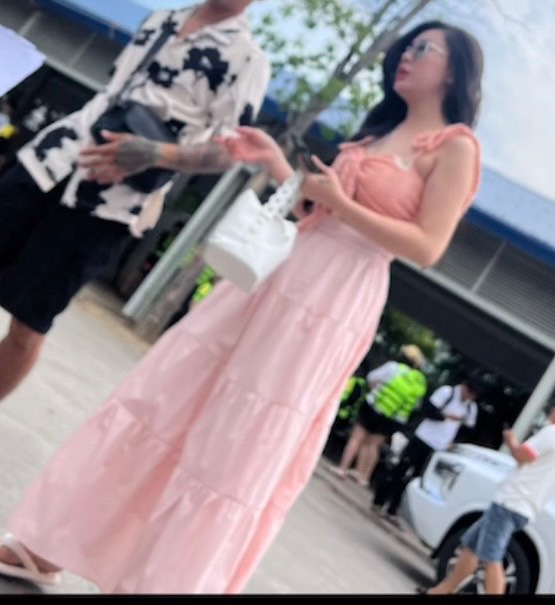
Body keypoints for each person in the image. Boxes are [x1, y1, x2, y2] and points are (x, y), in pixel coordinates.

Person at [0, 20, 484, 594]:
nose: (407, 55)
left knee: (237, 444)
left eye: (424, 49)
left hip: (335, 299)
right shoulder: (380, 132)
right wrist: (275, 161)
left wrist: (341, 203)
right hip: (282, 272)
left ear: (454, 71)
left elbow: (427, 247)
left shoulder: (454, 146)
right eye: (407, 46)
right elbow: (315, 211)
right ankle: (51, 543)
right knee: (166, 397)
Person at [0, 0, 271, 402]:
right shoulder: (162, 19)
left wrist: (155, 154)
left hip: (109, 205)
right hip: (51, 159)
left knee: (29, 322)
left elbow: (229, 153)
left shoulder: (248, 60)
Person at [422, 403, 555, 595]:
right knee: (471, 546)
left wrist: (511, 441)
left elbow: (522, 456)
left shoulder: (550, 433)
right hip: (525, 506)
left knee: (491, 557)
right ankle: (441, 591)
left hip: (511, 501)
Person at [371, 375, 480, 522]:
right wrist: (445, 416)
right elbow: (428, 410)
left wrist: (454, 442)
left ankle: (393, 509)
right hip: (423, 438)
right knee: (400, 470)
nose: (469, 397)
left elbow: (468, 428)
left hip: (439, 446)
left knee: (415, 478)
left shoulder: (470, 407)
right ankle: (379, 501)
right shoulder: (447, 393)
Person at [329, 344, 427, 486]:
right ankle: (363, 475)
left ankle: (342, 468)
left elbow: (371, 378)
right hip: (393, 417)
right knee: (373, 445)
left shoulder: (393, 367)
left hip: (373, 407)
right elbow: (416, 405)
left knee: (356, 438)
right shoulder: (418, 382)